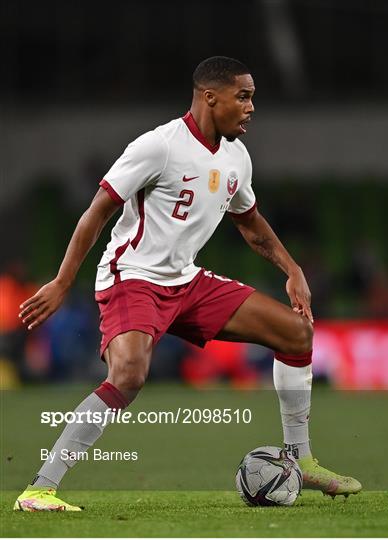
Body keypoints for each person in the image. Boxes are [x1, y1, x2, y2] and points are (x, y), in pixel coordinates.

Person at [14, 56, 361, 512]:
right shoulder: (158, 146)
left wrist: (293, 270)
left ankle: (302, 458)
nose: (251, 107)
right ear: (208, 97)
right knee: (130, 375)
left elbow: (251, 224)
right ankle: (39, 488)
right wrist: (62, 282)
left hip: (187, 281)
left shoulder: (237, 157)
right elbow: (97, 211)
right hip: (132, 278)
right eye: (243, 96)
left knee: (296, 333)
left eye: (252, 97)